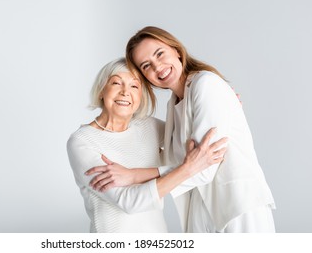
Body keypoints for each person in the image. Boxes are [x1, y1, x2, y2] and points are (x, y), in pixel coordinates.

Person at [91, 27, 276, 233]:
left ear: (176, 50)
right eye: (146, 66)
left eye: (159, 54)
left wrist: (133, 175)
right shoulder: (175, 104)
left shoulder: (206, 84)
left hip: (237, 205)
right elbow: (183, 164)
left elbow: (202, 168)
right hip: (202, 209)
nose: (157, 67)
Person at [66, 57, 227, 233]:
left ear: (140, 96)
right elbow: (129, 202)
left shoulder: (148, 126)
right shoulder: (82, 141)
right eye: (116, 83)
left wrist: (220, 103)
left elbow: (193, 135)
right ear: (101, 91)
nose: (125, 92)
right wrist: (187, 169)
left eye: (134, 86)